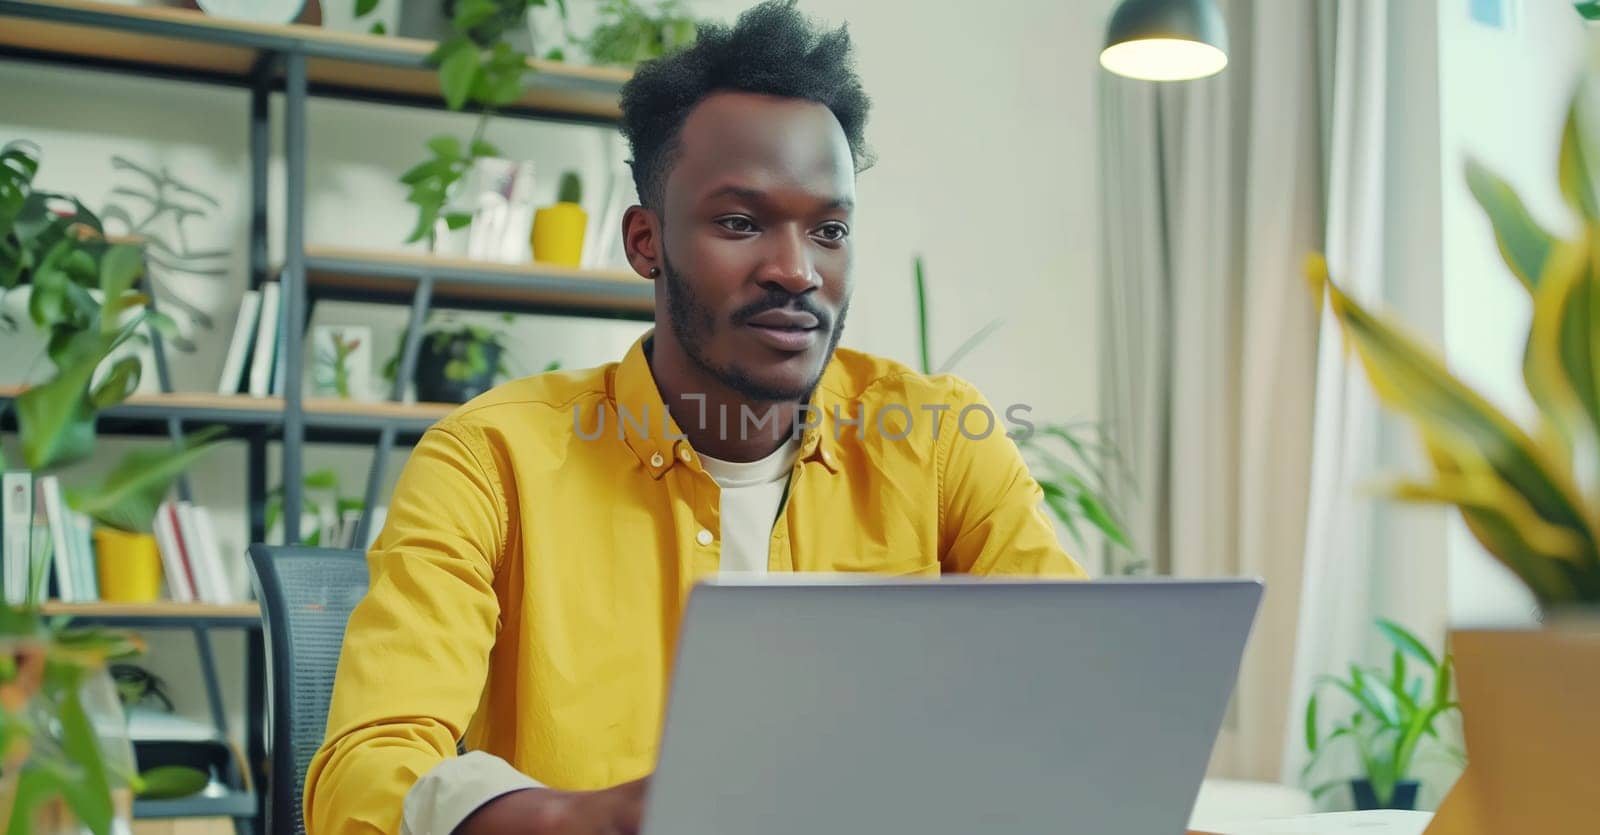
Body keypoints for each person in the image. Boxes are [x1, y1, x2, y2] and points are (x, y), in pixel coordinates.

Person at [304, 2, 1086, 834]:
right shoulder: (490, 461)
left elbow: (1082, 693)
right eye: (741, 223)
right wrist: (583, 819)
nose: (795, 270)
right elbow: (366, 774)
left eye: (829, 229)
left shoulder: (934, 439)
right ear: (646, 241)